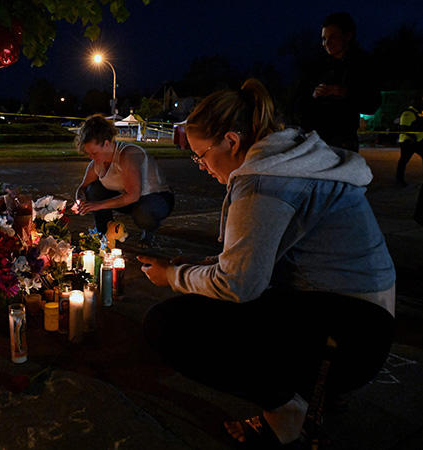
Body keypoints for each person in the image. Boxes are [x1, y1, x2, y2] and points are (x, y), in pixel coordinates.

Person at [138, 79, 395, 447]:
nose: (201, 166)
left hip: (348, 338)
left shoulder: (263, 180)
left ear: (231, 141)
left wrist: (174, 276)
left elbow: (239, 284)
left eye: (201, 155)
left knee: (169, 324)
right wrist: (201, 264)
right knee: (209, 296)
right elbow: (258, 256)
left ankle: (287, 408)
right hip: (364, 319)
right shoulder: (288, 159)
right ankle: (304, 392)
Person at [74, 115, 174, 247]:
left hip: (157, 199)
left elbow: (133, 195)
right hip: (131, 200)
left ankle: (149, 230)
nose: (91, 157)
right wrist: (79, 200)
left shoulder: (127, 155)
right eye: (88, 153)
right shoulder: (95, 164)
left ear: (107, 144)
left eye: (94, 153)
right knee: (93, 190)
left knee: (143, 213)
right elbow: (83, 187)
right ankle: (105, 232)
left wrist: (97, 205)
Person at [294, 12, 381, 152]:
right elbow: (298, 103)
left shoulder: (362, 65)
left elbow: (373, 103)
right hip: (314, 141)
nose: (326, 43)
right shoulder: (315, 67)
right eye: (323, 38)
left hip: (344, 144)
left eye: (332, 37)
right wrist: (313, 97)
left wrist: (344, 92)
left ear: (347, 36)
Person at [396, 97, 423, 186]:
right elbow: (404, 128)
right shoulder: (408, 113)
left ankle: (399, 180)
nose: (422, 104)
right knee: (403, 161)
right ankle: (399, 180)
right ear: (415, 103)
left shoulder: (420, 113)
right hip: (408, 141)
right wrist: (414, 138)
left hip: (419, 141)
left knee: (403, 161)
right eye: (420, 102)